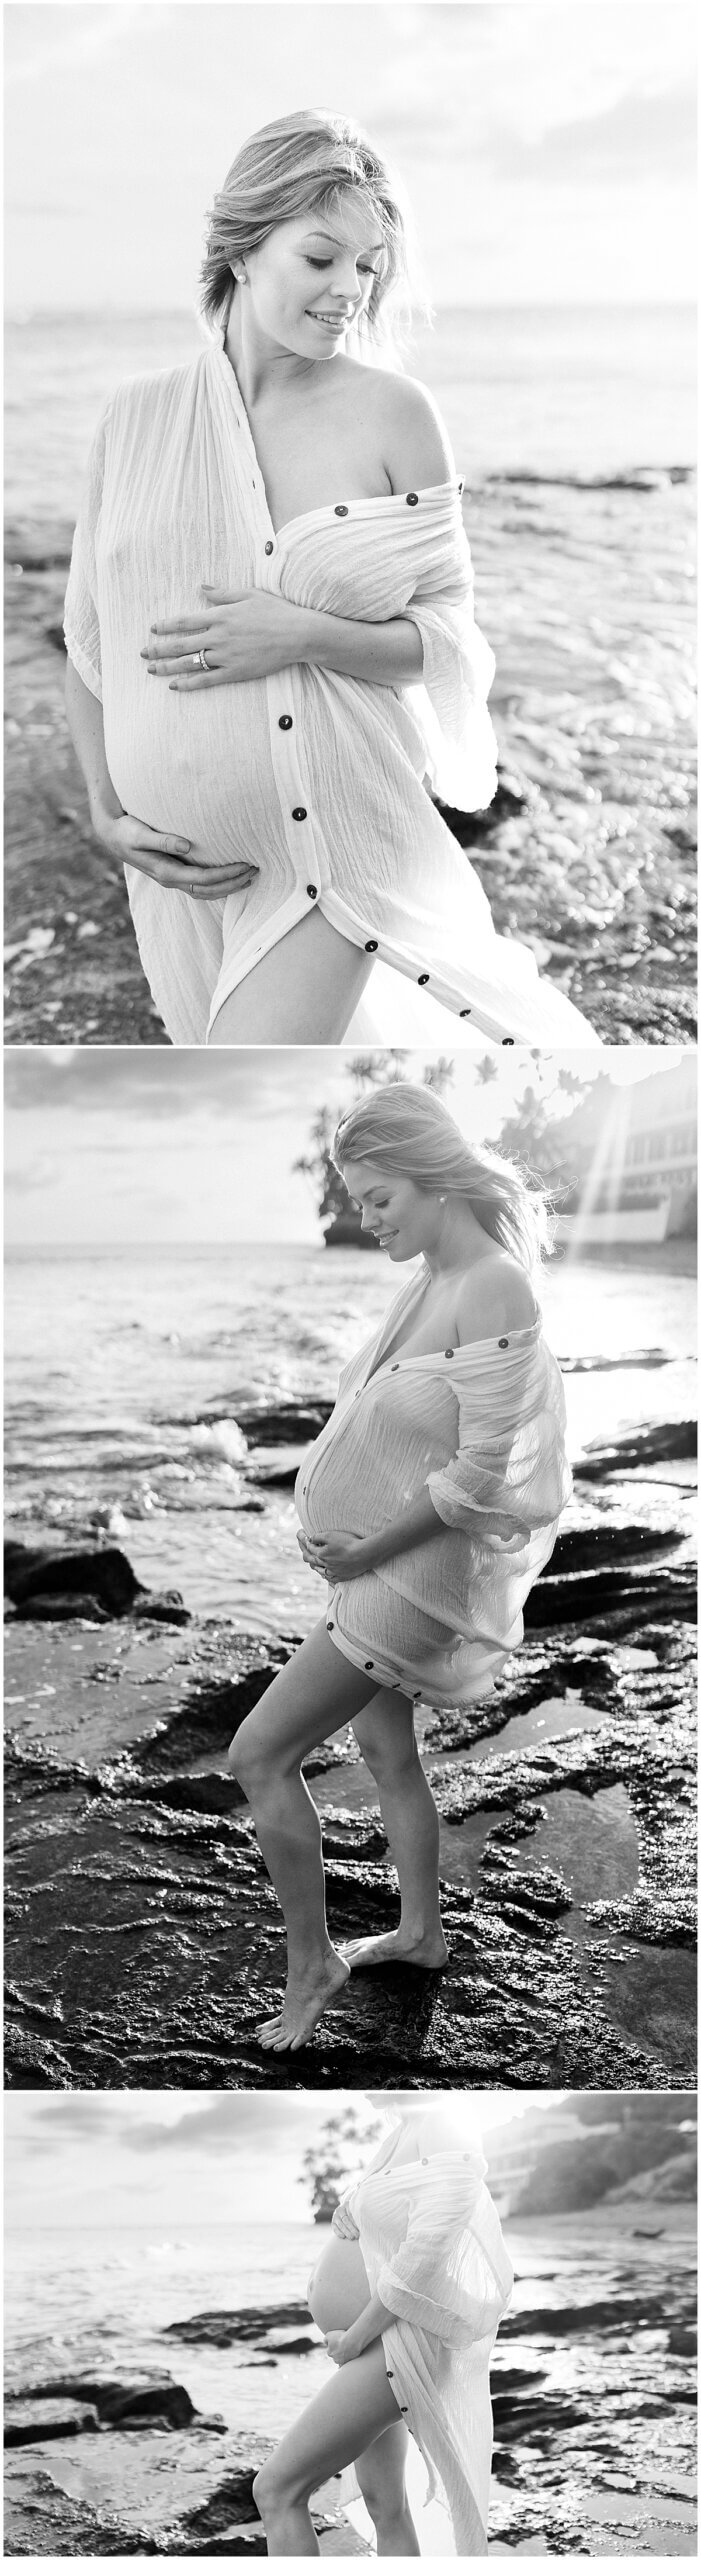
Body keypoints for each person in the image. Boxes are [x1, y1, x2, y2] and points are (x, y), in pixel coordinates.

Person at [63, 108, 600, 1050]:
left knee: (240, 1111)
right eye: (322, 259)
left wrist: (303, 633)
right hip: (178, 880)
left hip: (333, 855)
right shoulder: (133, 420)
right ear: (240, 248)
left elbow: (450, 643)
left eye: (368, 265)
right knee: (312, 1127)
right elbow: (91, 641)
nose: (349, 289)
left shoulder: (393, 415)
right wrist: (105, 811)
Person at [228, 1082, 571, 2050]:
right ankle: (419, 1935)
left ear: (434, 1179)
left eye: (378, 1197)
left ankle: (312, 1969)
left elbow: (478, 1472)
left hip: (408, 1580)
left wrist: (367, 1548)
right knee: (386, 1755)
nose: (364, 1217)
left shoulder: (491, 1285)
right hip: (369, 1571)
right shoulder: (428, 1276)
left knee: (258, 1753)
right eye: (357, 1199)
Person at [253, 2094, 513, 2557]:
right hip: (376, 2347)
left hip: (393, 2345)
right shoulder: (400, 2133)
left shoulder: (445, 2123)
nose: (363, 2088)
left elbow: (428, 2250)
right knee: (386, 2504)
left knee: (276, 2491)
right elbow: (394, 2224)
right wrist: (350, 2210)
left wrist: (355, 2336)